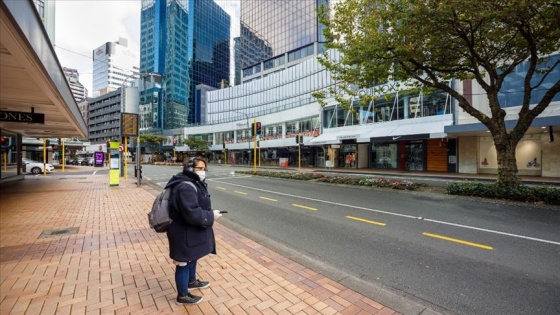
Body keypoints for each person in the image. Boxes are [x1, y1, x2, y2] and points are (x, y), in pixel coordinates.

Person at [164, 156, 222, 305]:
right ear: (190, 169)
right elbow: (192, 213)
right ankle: (182, 296)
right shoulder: (185, 186)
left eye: (204, 169)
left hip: (190, 230)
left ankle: (192, 281)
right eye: (199, 168)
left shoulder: (192, 182)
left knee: (193, 255)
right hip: (182, 231)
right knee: (183, 261)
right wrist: (211, 215)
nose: (203, 172)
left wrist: (209, 212)